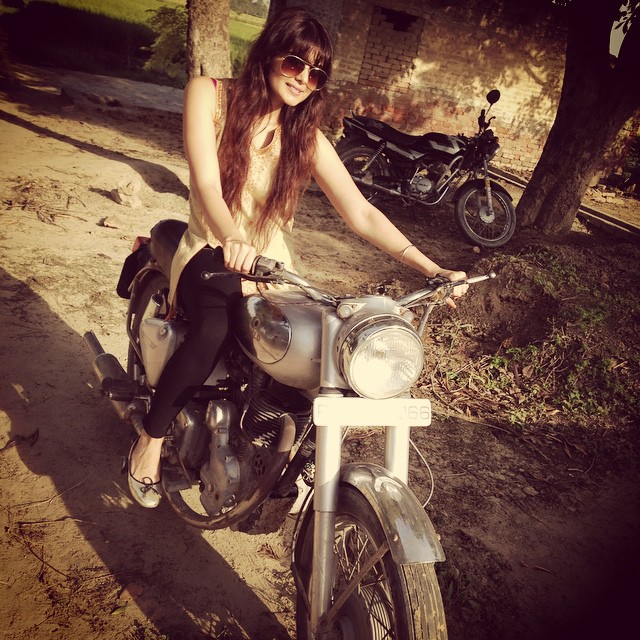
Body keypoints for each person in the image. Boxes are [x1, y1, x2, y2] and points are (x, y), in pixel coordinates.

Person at [127, 6, 468, 508]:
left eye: (316, 74)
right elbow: (206, 183)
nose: (303, 79)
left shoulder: (306, 137)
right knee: (212, 329)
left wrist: (432, 268)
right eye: (294, 63)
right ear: (269, 55)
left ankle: (274, 450)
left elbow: (361, 212)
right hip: (212, 247)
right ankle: (151, 441)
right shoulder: (210, 95)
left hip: (275, 269)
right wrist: (232, 237)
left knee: (315, 350)